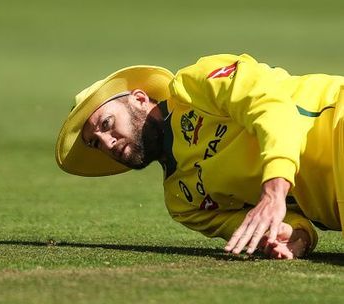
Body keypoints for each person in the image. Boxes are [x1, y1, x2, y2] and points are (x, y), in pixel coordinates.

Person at [55, 54, 344, 259]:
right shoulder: (182, 203)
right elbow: (277, 225)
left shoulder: (193, 85)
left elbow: (272, 108)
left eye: (106, 124)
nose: (107, 143)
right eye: (96, 144)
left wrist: (274, 188)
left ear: (140, 99)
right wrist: (291, 238)